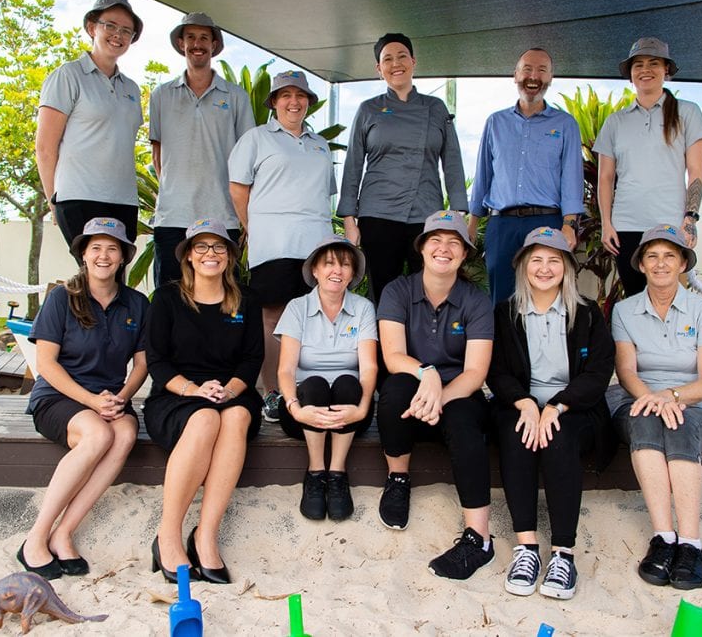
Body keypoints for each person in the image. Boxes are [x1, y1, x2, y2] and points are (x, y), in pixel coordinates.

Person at [488, 227, 616, 599]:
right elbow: (496, 371)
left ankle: (563, 553)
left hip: (575, 407)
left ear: (567, 268)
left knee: (558, 439)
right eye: (537, 260)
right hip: (520, 403)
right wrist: (526, 403)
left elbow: (598, 372)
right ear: (524, 266)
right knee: (518, 434)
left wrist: (558, 406)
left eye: (554, 261)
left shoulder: (588, 313)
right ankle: (526, 548)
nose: (544, 269)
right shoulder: (505, 312)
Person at [19, 217, 148, 579]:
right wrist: (92, 401)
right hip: (60, 395)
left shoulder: (137, 303)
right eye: (96, 248)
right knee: (98, 435)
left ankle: (64, 532)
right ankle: (36, 537)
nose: (103, 256)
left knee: (123, 434)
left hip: (110, 397)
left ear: (123, 257)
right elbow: (45, 363)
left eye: (112, 248)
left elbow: (141, 364)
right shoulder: (63, 297)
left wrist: (121, 397)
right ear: (84, 255)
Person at [143, 218, 264, 584]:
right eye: (202, 247)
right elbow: (156, 361)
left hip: (231, 393)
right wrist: (194, 390)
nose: (210, 253)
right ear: (189, 257)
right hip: (176, 396)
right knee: (206, 418)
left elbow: (252, 359)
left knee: (236, 418)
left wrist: (228, 390)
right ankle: (168, 535)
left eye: (219, 247)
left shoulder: (245, 299)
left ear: (229, 256)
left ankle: (205, 535)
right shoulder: (166, 298)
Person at [376, 211, 494, 580]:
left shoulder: (476, 301)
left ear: (464, 254)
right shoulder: (398, 291)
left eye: (454, 243)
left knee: (465, 422)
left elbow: (475, 372)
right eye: (436, 241)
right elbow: (393, 356)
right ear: (423, 248)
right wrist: (425, 375)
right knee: (394, 391)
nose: (444, 249)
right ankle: (398, 479)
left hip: (456, 393)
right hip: (413, 388)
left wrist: (438, 397)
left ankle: (479, 537)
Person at [607, 225, 702, 590]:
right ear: (640, 265)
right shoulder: (625, 310)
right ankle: (663, 538)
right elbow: (626, 371)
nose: (661, 264)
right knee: (643, 423)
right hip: (640, 399)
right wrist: (651, 399)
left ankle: (691, 544)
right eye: (652, 256)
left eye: (669, 256)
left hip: (694, 406)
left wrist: (671, 397)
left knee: (679, 425)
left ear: (682, 264)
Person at [229, 70, 334, 423]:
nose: (294, 101)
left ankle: (305, 385)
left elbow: (324, 195)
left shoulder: (320, 144)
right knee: (272, 318)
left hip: (316, 247)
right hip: (273, 244)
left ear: (308, 102)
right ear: (273, 102)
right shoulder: (255, 139)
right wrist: (253, 228)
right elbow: (238, 190)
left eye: (300, 95)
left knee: (311, 318)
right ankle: (273, 391)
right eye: (285, 95)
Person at [338, 32, 467, 304]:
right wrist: (350, 220)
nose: (395, 63)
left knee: (429, 293)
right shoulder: (369, 109)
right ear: (379, 68)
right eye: (387, 59)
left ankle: (425, 347)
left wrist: (457, 213)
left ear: (413, 61)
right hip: (378, 215)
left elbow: (452, 160)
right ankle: (384, 349)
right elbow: (353, 166)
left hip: (426, 215)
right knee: (383, 293)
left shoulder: (436, 108)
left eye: (401, 56)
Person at [594, 37, 702, 297]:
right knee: (635, 302)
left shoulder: (688, 113)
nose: (645, 70)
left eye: (653, 63)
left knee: (668, 301)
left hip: (670, 224)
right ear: (631, 74)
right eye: (638, 65)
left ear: (666, 70)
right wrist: (606, 224)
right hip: (625, 226)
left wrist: (690, 219)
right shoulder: (615, 122)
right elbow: (605, 177)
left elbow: (696, 172)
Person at [468, 48, 585, 305]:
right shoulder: (495, 122)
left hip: (547, 221)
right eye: (528, 69)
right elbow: (483, 175)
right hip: (502, 225)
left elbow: (572, 178)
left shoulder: (566, 124)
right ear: (515, 75)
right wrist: (473, 224)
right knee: (501, 298)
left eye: (542, 70)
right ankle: (502, 347)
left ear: (551, 78)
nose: (534, 76)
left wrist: (569, 224)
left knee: (545, 297)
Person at [275, 236, 377, 521]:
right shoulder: (297, 308)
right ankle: (316, 472)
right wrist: (295, 407)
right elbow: (285, 370)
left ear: (353, 273)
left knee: (348, 381)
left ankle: (337, 473)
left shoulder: (363, 308)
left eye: (345, 264)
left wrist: (364, 407)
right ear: (315, 271)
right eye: (329, 263)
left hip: (352, 410)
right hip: (303, 409)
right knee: (314, 384)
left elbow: (368, 368)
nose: (337, 271)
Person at [149, 12, 255, 286]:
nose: (198, 44)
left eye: (204, 38)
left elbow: (248, 159)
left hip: (223, 217)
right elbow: (157, 153)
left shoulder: (236, 96)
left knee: (223, 299)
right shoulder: (161, 95)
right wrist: (174, 191)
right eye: (191, 37)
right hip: (173, 217)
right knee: (169, 297)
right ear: (181, 43)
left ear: (214, 45)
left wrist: (245, 217)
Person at [36, 0, 144, 250]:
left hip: (124, 200)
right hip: (78, 196)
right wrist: (54, 200)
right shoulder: (68, 75)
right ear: (92, 27)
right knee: (93, 276)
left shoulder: (132, 89)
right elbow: (45, 147)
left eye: (126, 30)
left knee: (116, 281)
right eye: (110, 25)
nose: (118, 34)